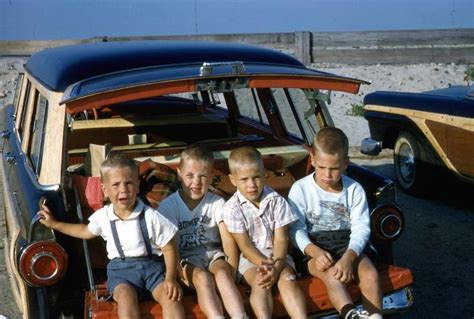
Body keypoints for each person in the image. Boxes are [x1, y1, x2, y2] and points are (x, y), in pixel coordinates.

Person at [38, 154, 185, 319]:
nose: (123, 189)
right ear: (105, 191)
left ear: (137, 186)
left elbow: (169, 247)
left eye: (129, 183)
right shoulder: (103, 217)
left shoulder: (150, 216)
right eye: (116, 185)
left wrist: (171, 278)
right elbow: (85, 231)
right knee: (125, 298)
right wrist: (55, 224)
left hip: (152, 269)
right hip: (122, 273)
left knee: (171, 298)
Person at [288, 127, 383, 319]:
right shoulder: (300, 189)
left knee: (370, 274)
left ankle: (375, 316)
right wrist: (314, 251)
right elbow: (295, 229)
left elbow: (361, 228)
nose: (327, 175)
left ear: (346, 164)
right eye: (322, 167)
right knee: (331, 275)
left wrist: (349, 257)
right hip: (313, 247)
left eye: (334, 168)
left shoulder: (354, 189)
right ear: (312, 159)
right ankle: (350, 314)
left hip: (346, 244)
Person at [158, 145, 248, 319]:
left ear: (213, 176)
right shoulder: (169, 206)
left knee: (223, 275)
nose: (196, 182)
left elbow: (227, 240)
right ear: (179, 173)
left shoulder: (217, 203)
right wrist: (176, 273)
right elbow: (169, 246)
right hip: (184, 257)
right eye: (190, 175)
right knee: (203, 279)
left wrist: (233, 270)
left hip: (212, 252)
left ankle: (240, 315)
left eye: (203, 176)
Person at [222, 146, 307, 319]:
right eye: (244, 179)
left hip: (278, 255)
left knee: (288, 280)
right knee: (261, 283)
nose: (252, 185)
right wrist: (265, 265)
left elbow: (281, 241)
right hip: (250, 259)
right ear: (233, 180)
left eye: (256, 177)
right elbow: (244, 246)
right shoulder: (231, 209)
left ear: (264, 174)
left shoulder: (276, 201)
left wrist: (276, 266)